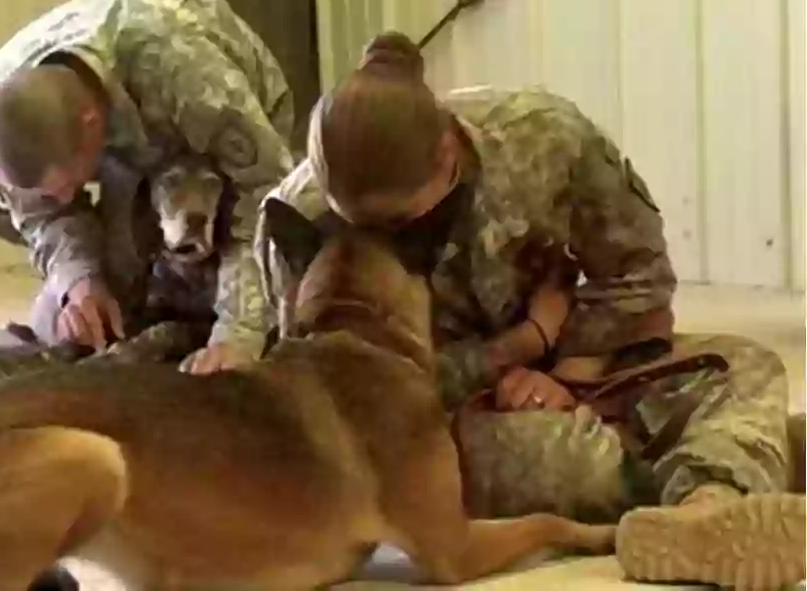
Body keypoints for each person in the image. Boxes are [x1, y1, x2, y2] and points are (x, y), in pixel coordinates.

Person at [252, 31, 805, 588]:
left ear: (447, 151)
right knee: (575, 463)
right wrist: (516, 349)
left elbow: (636, 272)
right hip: (430, 428)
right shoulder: (297, 221)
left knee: (745, 364)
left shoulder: (541, 137)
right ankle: (734, 465)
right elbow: (339, 408)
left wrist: (569, 372)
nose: (376, 243)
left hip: (575, 368)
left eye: (395, 225)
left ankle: (707, 509)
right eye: (351, 225)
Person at [0, 0, 295, 373]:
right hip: (119, 152)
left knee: (268, 301)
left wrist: (239, 332)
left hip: (204, 147)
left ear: (92, 126)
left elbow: (269, 188)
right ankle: (128, 274)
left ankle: (174, 281)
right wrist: (77, 277)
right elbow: (39, 208)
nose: (60, 200)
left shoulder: (185, 73)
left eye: (65, 186)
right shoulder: (4, 98)